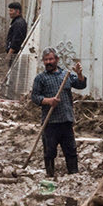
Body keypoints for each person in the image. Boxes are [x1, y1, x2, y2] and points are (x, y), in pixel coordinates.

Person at [31, 48, 87, 178]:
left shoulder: (65, 75)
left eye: (51, 59)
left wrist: (79, 74)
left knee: (71, 151)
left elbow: (81, 85)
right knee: (49, 152)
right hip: (50, 122)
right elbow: (35, 97)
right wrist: (48, 101)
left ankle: (73, 176)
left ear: (56, 59)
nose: (48, 62)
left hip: (66, 120)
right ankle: (50, 176)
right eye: (46, 60)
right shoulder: (40, 78)